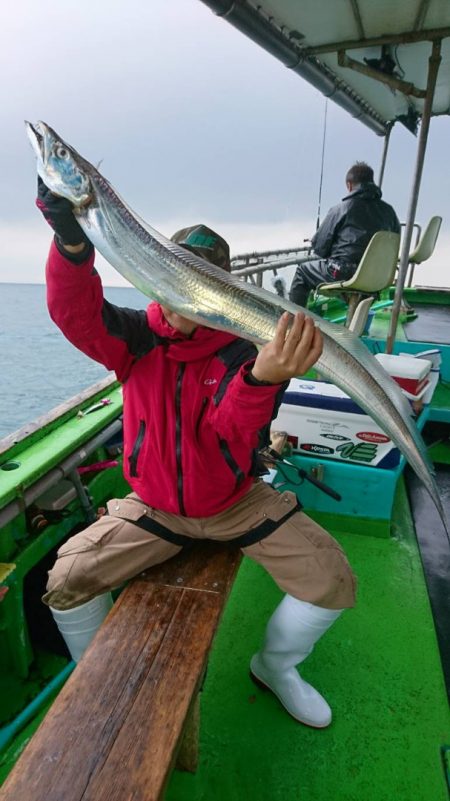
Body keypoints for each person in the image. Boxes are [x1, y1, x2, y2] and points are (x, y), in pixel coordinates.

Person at [35, 179, 357, 729]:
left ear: (224, 291)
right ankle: (96, 678)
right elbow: (75, 313)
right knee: (65, 581)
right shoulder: (134, 337)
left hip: (235, 502)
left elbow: (232, 425)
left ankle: (275, 667)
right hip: (155, 506)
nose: (185, 297)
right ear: (155, 277)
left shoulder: (248, 351)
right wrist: (71, 243)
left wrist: (264, 375)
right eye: (174, 277)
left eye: (203, 283)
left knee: (332, 581)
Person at [289, 162, 401, 308]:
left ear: (349, 185)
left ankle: (293, 322)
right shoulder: (389, 212)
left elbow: (320, 249)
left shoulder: (340, 209)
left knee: (302, 271)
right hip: (377, 276)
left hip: (344, 272)